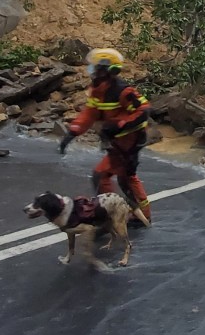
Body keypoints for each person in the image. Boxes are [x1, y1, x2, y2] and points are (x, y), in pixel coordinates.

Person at [59, 48, 152, 223]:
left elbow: (144, 110)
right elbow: (89, 114)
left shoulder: (123, 91)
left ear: (108, 71)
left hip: (130, 142)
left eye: (97, 68)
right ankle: (111, 212)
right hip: (116, 142)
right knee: (104, 175)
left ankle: (140, 216)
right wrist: (72, 133)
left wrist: (120, 124)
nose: (93, 72)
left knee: (123, 178)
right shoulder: (98, 91)